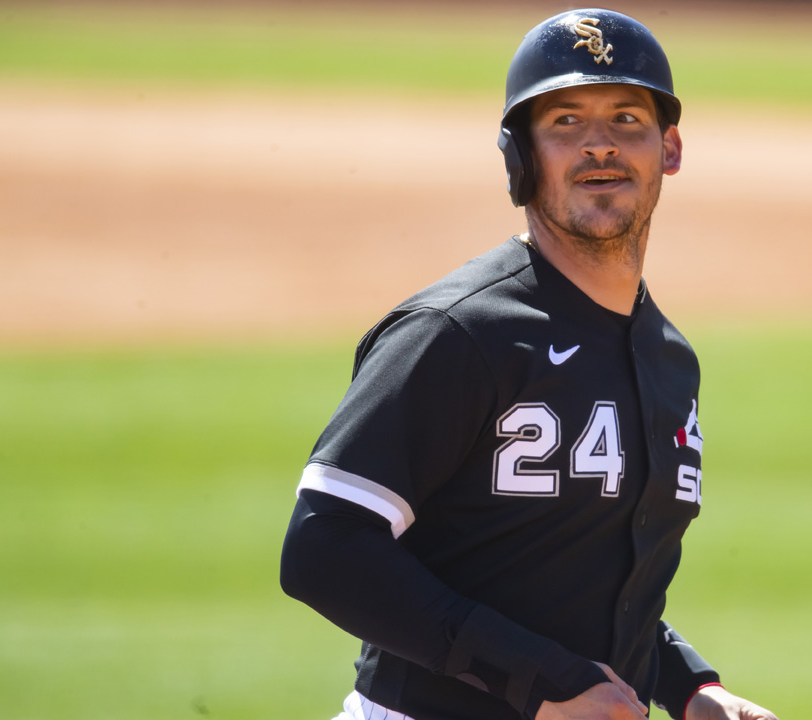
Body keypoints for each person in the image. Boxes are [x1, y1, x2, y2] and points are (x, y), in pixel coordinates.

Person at [280, 9, 778, 720]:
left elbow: (576, 578)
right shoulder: (459, 332)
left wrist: (692, 689)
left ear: (668, 149)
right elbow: (324, 548)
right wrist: (537, 682)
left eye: (627, 119)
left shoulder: (667, 358)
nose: (600, 146)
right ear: (520, 155)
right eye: (566, 122)